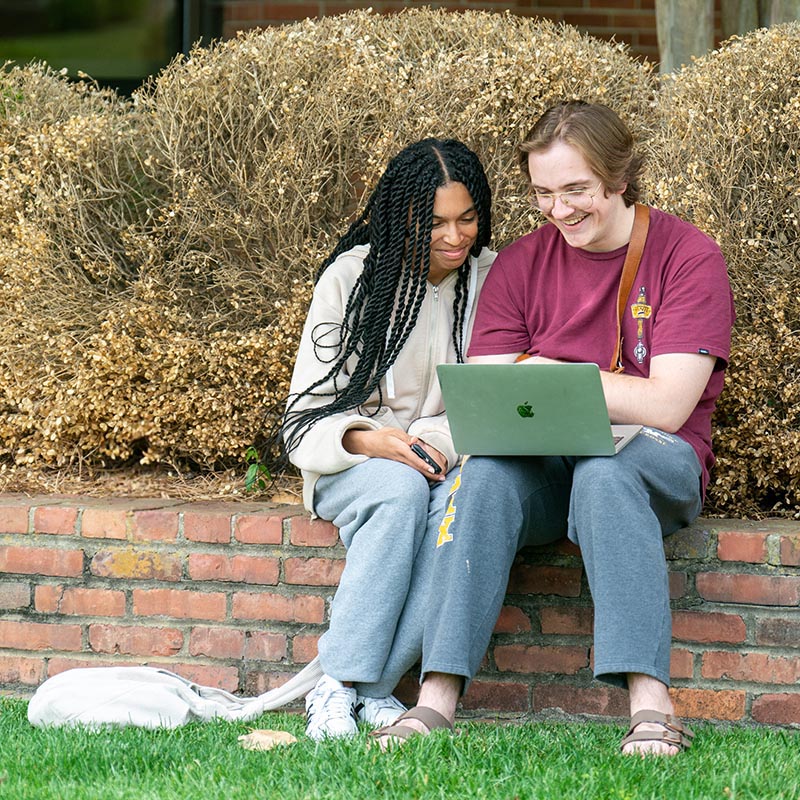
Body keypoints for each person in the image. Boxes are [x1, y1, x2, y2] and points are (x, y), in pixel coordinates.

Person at [368, 101, 735, 756]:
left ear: (619, 180)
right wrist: (585, 385)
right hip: (542, 461)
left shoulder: (687, 256)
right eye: (544, 193)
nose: (560, 211)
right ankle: (436, 699)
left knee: (605, 473)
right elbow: (490, 397)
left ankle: (650, 702)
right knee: (481, 476)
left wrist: (555, 373)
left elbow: (668, 407)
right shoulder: (521, 265)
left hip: (654, 460)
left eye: (576, 191)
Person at [280, 138, 495, 740]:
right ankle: (341, 683)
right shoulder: (351, 279)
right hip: (348, 461)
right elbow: (306, 415)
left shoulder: (492, 278)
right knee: (400, 490)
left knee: (462, 507)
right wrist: (371, 441)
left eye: (467, 219)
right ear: (401, 215)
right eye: (434, 223)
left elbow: (488, 395)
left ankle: (366, 690)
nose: (455, 238)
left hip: (447, 458)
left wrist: (435, 443)